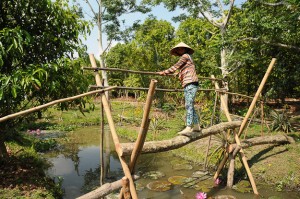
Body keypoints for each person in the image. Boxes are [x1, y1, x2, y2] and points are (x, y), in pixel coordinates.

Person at [158, 42, 201, 134]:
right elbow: (183, 69)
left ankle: (189, 126)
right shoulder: (186, 60)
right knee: (189, 105)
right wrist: (178, 73)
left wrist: (165, 72)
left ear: (185, 49)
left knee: (188, 104)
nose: (179, 50)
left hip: (191, 83)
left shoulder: (185, 56)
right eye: (178, 49)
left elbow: (176, 66)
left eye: (181, 48)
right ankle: (196, 126)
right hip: (188, 84)